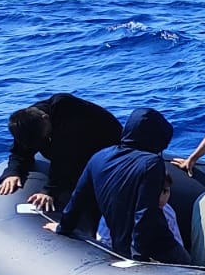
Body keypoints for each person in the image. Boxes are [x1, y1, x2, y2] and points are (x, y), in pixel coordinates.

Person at [51, 108, 189, 264]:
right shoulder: (151, 163)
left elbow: (78, 198)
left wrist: (63, 227)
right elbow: (144, 213)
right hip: (157, 249)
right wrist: (139, 258)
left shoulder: (99, 157)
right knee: (191, 271)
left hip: (120, 248)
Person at [0, 93, 122, 213]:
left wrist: (48, 191)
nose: (43, 139)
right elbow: (20, 151)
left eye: (44, 136)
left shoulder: (69, 113)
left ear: (45, 118)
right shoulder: (26, 124)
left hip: (104, 149)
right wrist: (12, 172)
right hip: (72, 148)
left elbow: (66, 159)